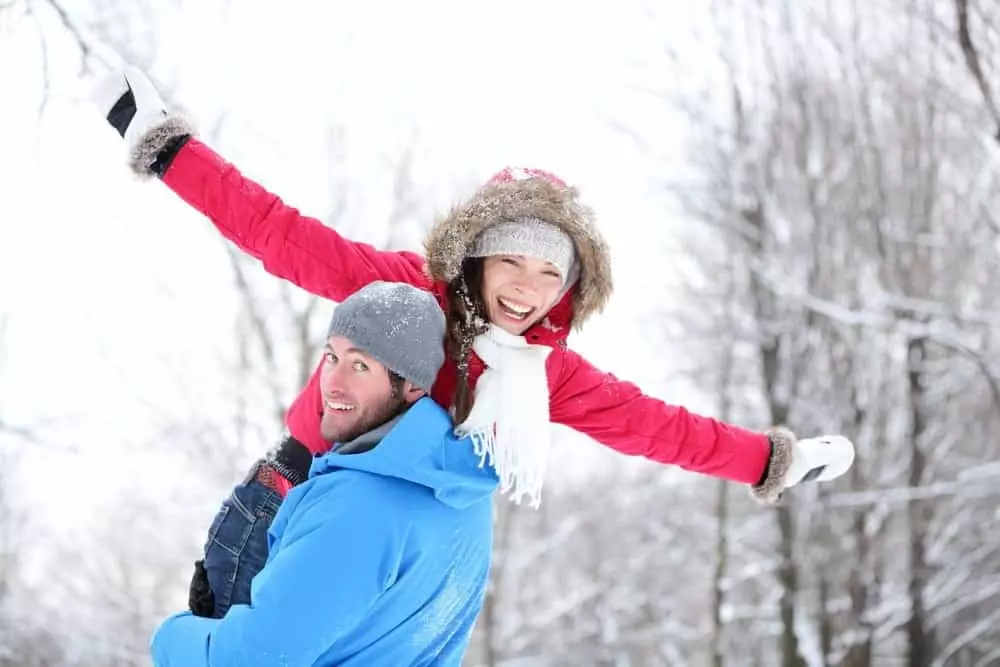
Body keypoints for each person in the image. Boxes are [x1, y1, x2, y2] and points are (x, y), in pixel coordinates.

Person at [93, 67, 857, 615]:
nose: (527, 287)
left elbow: (658, 428)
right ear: (478, 255)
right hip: (288, 501)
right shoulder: (406, 292)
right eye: (512, 260)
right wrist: (168, 150)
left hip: (385, 554)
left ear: (570, 287)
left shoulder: (547, 374)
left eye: (549, 272)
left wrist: (768, 459)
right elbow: (280, 234)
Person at [150, 281, 499, 667]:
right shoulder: (463, 491)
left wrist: (173, 634)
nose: (332, 383)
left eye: (361, 366)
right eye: (332, 358)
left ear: (413, 384)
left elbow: (247, 660)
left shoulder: (358, 507)